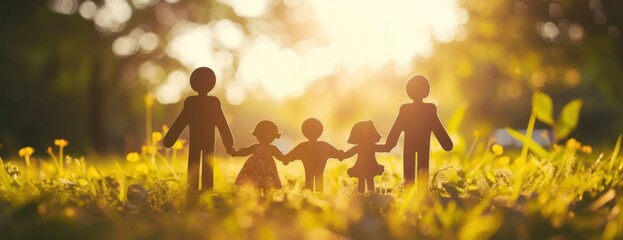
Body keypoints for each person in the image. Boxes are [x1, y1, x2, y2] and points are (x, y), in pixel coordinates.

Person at [163, 67, 234, 193]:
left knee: (198, 161)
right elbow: (222, 124)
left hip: (199, 140)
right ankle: (202, 189)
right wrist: (228, 143)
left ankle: (196, 189)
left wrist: (170, 139)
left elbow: (180, 122)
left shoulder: (196, 103)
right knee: (201, 162)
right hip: (203, 140)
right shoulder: (208, 102)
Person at [385, 75, 453, 187]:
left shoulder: (406, 109)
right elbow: (437, 127)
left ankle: (411, 191)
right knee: (421, 166)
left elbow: (396, 128)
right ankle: (420, 191)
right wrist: (446, 143)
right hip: (422, 145)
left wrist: (390, 143)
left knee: (412, 167)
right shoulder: (429, 109)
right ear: (427, 91)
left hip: (411, 145)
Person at [284, 118, 344, 192]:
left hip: (310, 170)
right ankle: (315, 192)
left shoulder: (303, 146)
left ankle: (311, 192)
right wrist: (341, 154)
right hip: (315, 170)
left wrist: (286, 158)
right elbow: (337, 153)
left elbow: (290, 156)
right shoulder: (323, 145)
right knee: (315, 179)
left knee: (311, 179)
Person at [231, 120, 287, 193]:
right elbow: (245, 151)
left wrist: (286, 159)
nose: (266, 137)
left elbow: (280, 156)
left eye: (269, 136)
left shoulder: (271, 148)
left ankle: (265, 195)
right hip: (257, 169)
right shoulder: (258, 147)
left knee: (266, 184)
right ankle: (259, 195)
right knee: (257, 184)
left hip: (266, 170)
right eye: (262, 135)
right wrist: (236, 153)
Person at [342, 120, 390, 193]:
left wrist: (339, 154)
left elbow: (346, 154)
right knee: (366, 179)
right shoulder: (370, 147)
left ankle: (368, 194)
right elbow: (385, 148)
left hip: (365, 166)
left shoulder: (361, 147)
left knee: (366, 179)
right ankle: (367, 194)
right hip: (366, 166)